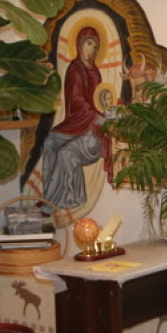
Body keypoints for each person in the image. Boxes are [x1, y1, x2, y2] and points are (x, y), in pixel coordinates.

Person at [41, 26, 115, 210]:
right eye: (89, 44)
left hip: (93, 129)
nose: (91, 50)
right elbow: (75, 102)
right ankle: (48, 195)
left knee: (66, 153)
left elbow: (98, 102)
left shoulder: (95, 73)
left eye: (95, 47)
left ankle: (58, 201)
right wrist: (91, 114)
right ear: (79, 44)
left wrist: (97, 116)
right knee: (50, 143)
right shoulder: (74, 69)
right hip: (77, 122)